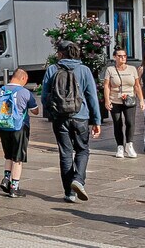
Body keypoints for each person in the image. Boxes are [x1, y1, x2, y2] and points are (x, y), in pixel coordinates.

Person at [40, 41, 101, 203]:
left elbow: (44, 96)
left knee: (65, 153)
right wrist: (96, 121)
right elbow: (92, 96)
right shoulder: (84, 70)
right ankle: (78, 179)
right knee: (82, 150)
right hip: (81, 116)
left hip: (60, 118)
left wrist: (53, 111)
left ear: (60, 54)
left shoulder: (52, 69)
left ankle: (69, 193)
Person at [0, 67, 38, 197]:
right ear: (23, 78)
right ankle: (14, 187)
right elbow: (35, 110)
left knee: (8, 155)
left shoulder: (0, 91)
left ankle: (6, 178)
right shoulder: (25, 92)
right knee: (18, 158)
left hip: (3, 126)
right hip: (19, 128)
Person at [100, 48, 143, 158]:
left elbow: (137, 85)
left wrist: (141, 100)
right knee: (117, 123)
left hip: (130, 99)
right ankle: (120, 146)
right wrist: (107, 100)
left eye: (124, 56)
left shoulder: (132, 69)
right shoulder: (110, 70)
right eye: (119, 56)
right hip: (115, 99)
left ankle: (129, 144)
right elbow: (106, 86)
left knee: (130, 122)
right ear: (115, 57)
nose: (122, 58)